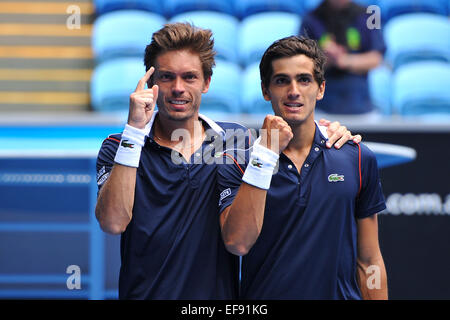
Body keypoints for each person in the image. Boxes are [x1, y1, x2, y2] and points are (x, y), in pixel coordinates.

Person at [95, 22, 361, 300]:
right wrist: (135, 131)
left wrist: (330, 132)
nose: (177, 88)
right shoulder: (119, 146)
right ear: (151, 84)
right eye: (166, 77)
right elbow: (113, 223)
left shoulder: (235, 140)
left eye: (189, 77)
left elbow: (242, 238)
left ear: (206, 83)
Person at [219, 36, 388, 299]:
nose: (294, 90)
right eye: (281, 80)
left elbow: (369, 261)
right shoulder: (238, 161)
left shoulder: (357, 157)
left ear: (321, 89)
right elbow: (237, 242)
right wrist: (264, 155)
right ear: (266, 90)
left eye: (304, 80)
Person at [299, 0, 386, 115]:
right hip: (322, 106)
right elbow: (302, 62)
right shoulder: (311, 18)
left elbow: (376, 58)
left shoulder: (369, 15)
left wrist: (344, 60)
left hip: (361, 104)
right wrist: (326, 58)